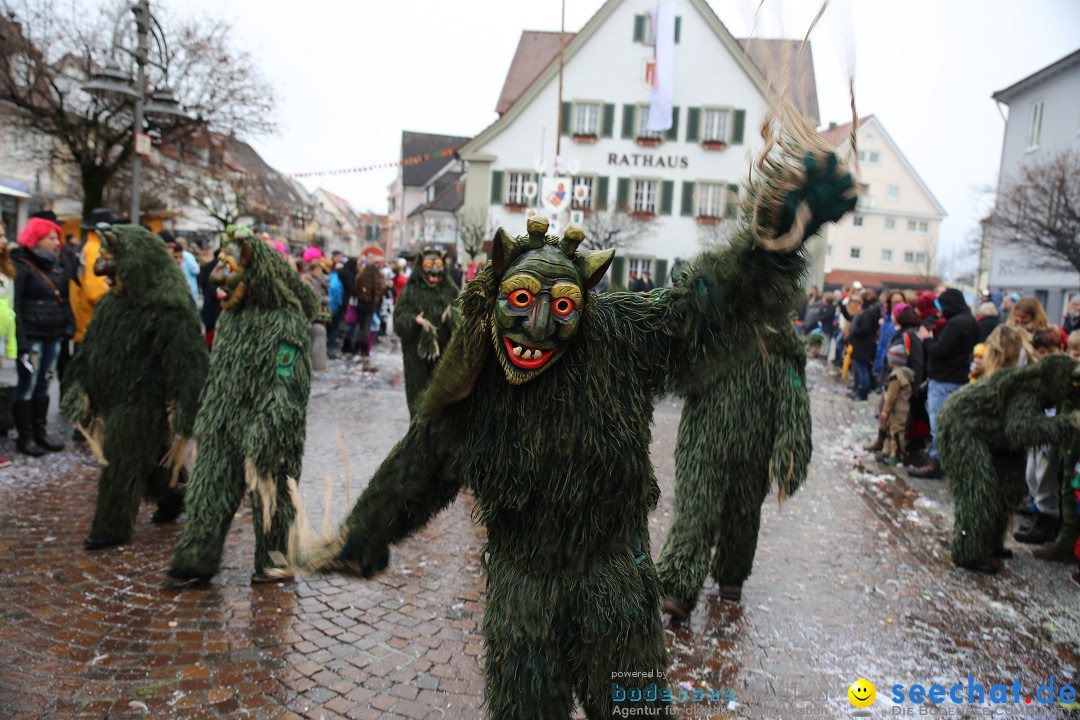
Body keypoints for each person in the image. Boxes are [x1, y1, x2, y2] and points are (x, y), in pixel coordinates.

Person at [60, 225, 208, 550]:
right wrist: (78, 384)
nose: (107, 276)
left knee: (121, 458)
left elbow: (189, 364)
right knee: (152, 454)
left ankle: (110, 526)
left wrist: (187, 409)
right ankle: (175, 496)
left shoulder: (169, 307)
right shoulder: (111, 305)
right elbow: (88, 350)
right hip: (111, 397)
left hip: (142, 400)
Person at [12, 216, 72, 456]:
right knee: (27, 384)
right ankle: (24, 437)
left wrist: (68, 324)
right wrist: (21, 340)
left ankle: (40, 432)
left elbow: (64, 298)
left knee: (45, 382)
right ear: (36, 238)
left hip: (53, 334)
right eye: (51, 237)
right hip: (33, 334)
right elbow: (15, 304)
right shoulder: (22, 264)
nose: (56, 242)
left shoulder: (55, 264)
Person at [909, 289, 976, 479]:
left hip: (945, 378)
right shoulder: (969, 321)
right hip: (957, 377)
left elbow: (940, 350)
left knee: (938, 423)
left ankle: (936, 462)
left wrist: (926, 339)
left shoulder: (955, 324)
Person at [877, 343, 916, 466]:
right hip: (898, 408)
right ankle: (888, 451)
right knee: (890, 430)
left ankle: (897, 454)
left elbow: (892, 396)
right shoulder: (903, 373)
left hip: (897, 409)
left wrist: (886, 410)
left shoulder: (896, 377)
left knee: (896, 431)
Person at [352, 250, 385, 360]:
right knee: (367, 326)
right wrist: (375, 299)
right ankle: (364, 349)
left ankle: (357, 347)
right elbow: (380, 289)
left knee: (360, 325)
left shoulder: (360, 277)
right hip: (370, 304)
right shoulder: (376, 278)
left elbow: (356, 289)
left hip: (361, 303)